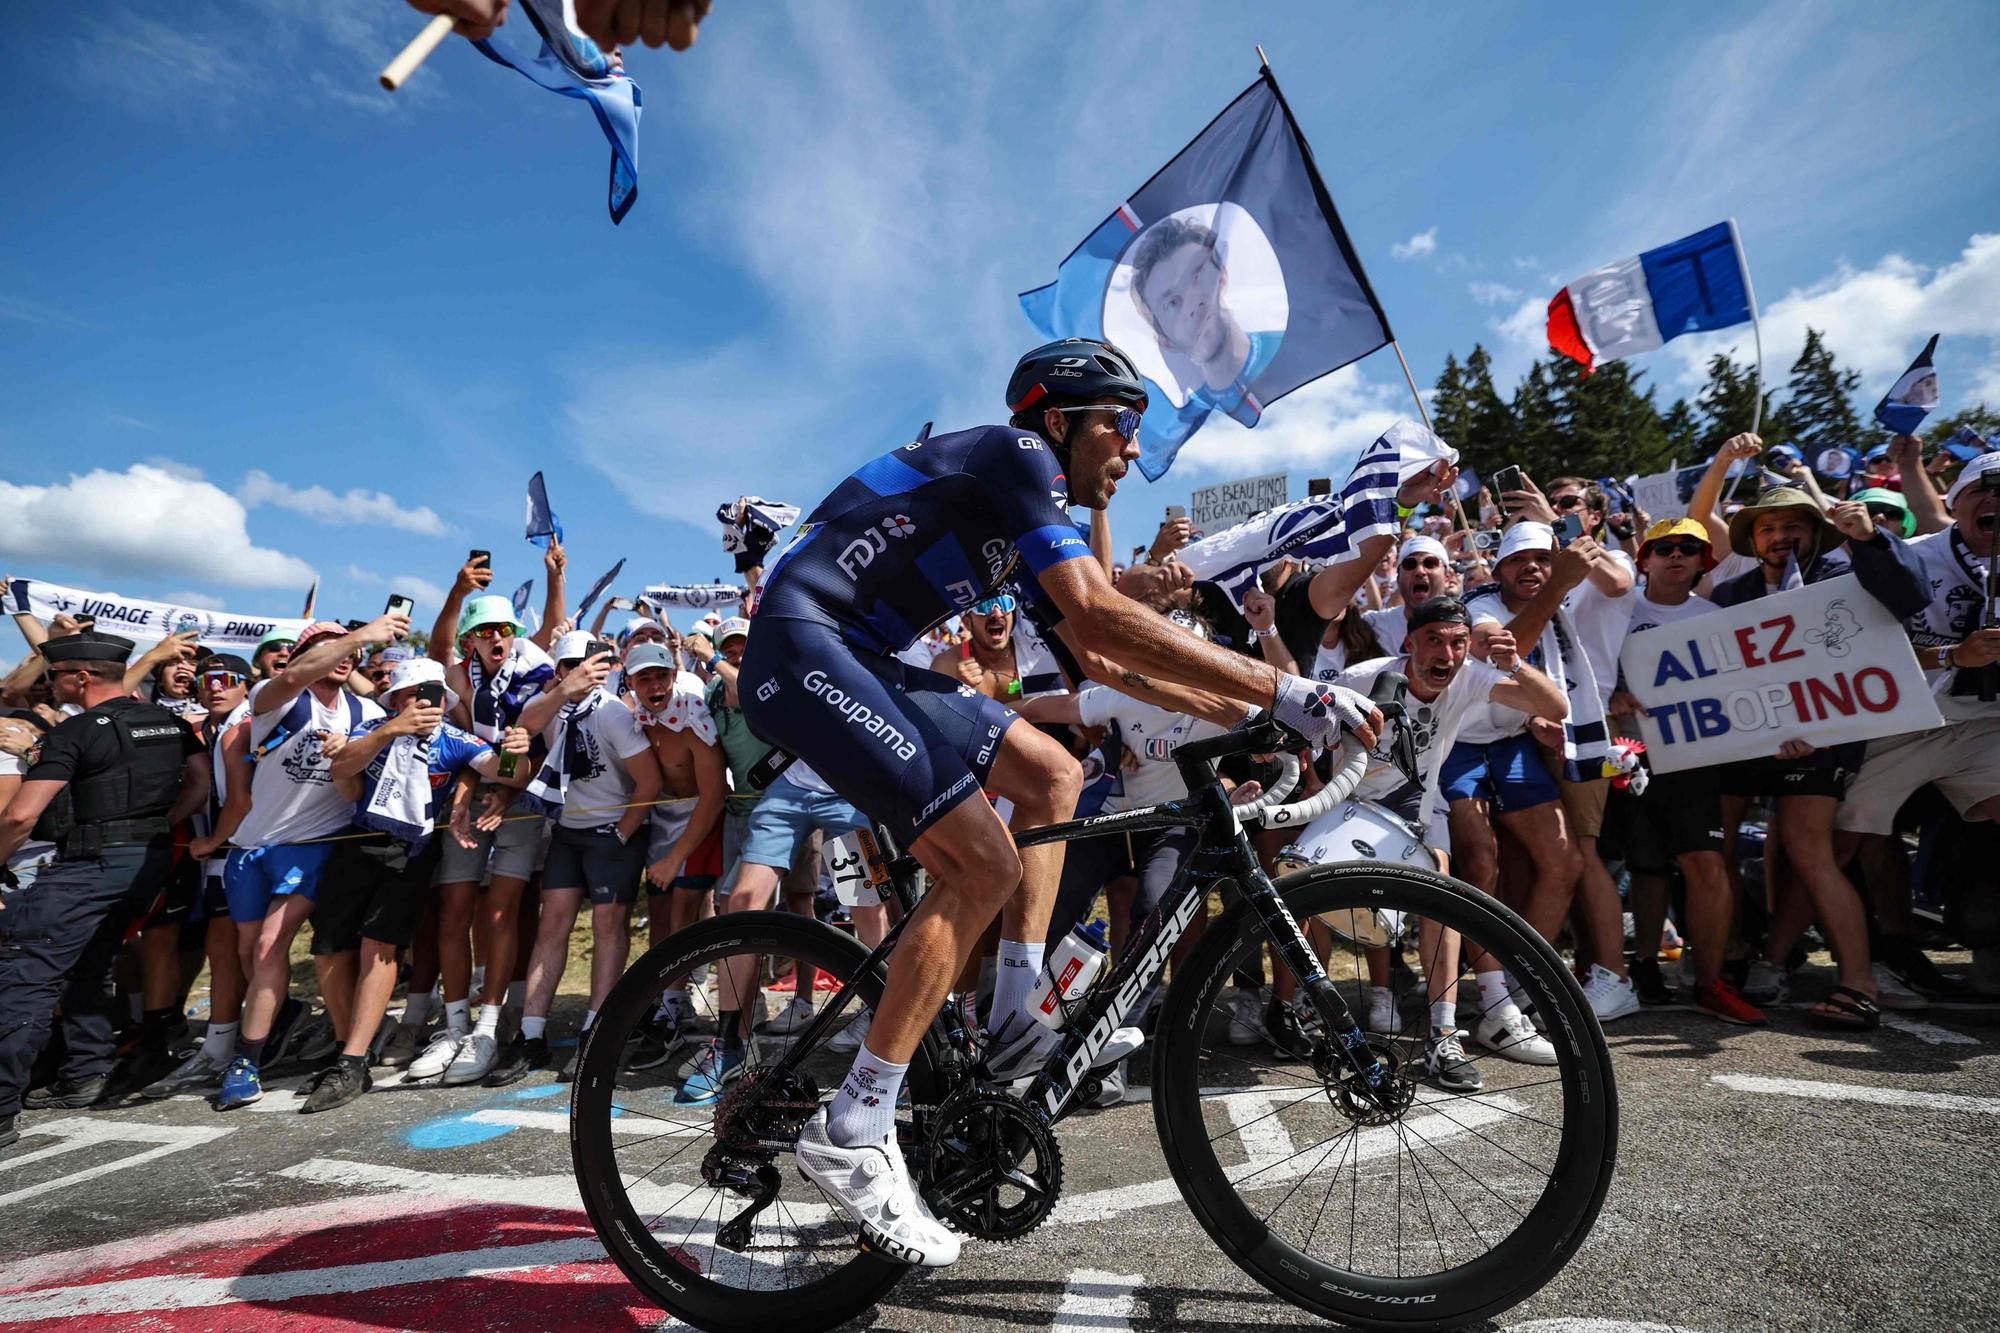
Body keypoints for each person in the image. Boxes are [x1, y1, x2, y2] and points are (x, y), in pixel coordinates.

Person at [739, 336, 1406, 1268]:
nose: (1132, 451)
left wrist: (1245, 718)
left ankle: (1016, 1006)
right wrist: (1285, 690)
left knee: (1052, 772)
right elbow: (1100, 615)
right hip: (804, 647)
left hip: (859, 652)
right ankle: (852, 1125)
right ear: (1060, 421)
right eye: (1121, 427)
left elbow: (1102, 665)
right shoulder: (1017, 458)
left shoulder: (1016, 514)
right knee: (983, 861)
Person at [1709, 485, 1929, 1027]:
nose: (1780, 536)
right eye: (1767, 528)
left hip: (1821, 740)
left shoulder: (1850, 574)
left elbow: (1911, 596)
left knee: (1811, 854)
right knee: (1714, 848)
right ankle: (1732, 959)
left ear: (1816, 531)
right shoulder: (1730, 593)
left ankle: (1857, 983)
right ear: (1752, 538)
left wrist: (1869, 539)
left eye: (1793, 526)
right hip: (1741, 741)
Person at [1329, 598, 1568, 1090]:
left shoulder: (1472, 677)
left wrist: (1514, 663)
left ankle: (1443, 1035)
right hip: (1351, 805)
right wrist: (1316, 786)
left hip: (1417, 809)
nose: (1448, 652)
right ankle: (1304, 1012)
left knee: (1441, 890)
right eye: (1434, 639)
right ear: (1408, 644)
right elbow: (1304, 726)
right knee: (1307, 889)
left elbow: (1555, 707)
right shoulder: (1362, 677)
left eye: (1458, 641)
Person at [0, 631, 209, 1147]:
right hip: (149, 862)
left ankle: (2, 1105)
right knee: (91, 964)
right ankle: (83, 1073)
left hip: (89, 863)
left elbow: (21, 816)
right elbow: (200, 785)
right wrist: (158, 828)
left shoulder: (76, 732)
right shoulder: (172, 723)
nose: (52, 686)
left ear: (81, 677)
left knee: (26, 973)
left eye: (56, 677)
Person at [311, 657, 526, 1111]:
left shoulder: (453, 739)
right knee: (329, 948)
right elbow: (340, 769)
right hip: (358, 841)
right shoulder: (373, 725)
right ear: (396, 700)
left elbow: (506, 771)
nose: (424, 703)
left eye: (433, 694)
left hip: (410, 850)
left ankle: (351, 1062)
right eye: (413, 694)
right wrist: (390, 730)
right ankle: (348, 1041)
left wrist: (515, 749)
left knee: (380, 946)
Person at [212, 616, 401, 1110]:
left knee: (272, 942)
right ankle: (282, 1021)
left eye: (350, 652)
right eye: (328, 648)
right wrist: (357, 637)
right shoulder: (275, 698)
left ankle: (246, 1059)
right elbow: (293, 677)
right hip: (251, 847)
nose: (344, 656)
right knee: (250, 951)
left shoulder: (363, 709)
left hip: (316, 844)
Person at [1835, 452, 2000, 998]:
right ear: (1954, 502)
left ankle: (1989, 944)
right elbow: (1860, 645)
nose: (1994, 501)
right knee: (1848, 836)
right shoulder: (1913, 557)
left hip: (1984, 725)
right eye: (1982, 489)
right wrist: (1956, 655)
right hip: (1908, 717)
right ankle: (1866, 949)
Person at [1604, 520, 1767, 1025]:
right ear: (1644, 559)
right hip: (1625, 756)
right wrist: (1610, 696)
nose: (1677, 556)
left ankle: (1710, 982)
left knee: (1706, 864)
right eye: (1665, 548)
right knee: (1646, 867)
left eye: (1689, 549)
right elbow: (1587, 669)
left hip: (1694, 759)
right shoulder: (1616, 609)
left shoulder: (1714, 617)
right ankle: (1645, 965)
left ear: (1704, 562)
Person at [1443, 523, 1588, 1059]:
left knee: (1564, 862)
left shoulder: (1561, 598)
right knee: (1479, 862)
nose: (1532, 568)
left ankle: (1524, 988)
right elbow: (1506, 647)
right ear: (1497, 568)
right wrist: (1559, 584)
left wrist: (1533, 722)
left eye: (1542, 560)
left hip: (1511, 742)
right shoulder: (1480, 601)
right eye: (1518, 559)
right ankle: (1494, 1002)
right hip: (1458, 746)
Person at [493, 633, 659, 1087]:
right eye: (569, 664)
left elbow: (649, 781)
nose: (582, 671)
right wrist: (563, 689)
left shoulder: (612, 712)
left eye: (589, 663)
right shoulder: (551, 704)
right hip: (568, 831)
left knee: (609, 924)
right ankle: (530, 1035)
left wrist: (621, 833)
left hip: (611, 832)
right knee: (553, 924)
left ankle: (596, 1030)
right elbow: (523, 727)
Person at [410, 592, 556, 1086]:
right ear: (470, 639)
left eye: (505, 629)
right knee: (453, 910)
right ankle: (453, 1027)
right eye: (486, 630)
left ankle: (488, 1028)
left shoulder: (536, 675)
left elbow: (525, 756)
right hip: (471, 802)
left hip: (524, 803)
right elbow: (463, 750)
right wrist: (467, 793)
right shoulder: (457, 679)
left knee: (501, 910)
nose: (497, 637)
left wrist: (505, 794)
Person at [145, 654, 257, 1097]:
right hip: (221, 850)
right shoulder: (206, 726)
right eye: (208, 680)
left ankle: (224, 1049)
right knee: (225, 947)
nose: (215, 686)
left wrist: (214, 841)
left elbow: (240, 797)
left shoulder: (244, 723)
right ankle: (231, 1040)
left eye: (228, 679)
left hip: (242, 848)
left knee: (232, 948)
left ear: (246, 685)